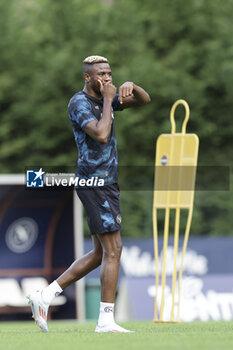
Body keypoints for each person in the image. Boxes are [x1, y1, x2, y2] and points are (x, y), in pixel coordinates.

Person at [27, 55, 151, 333]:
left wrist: (134, 86)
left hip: (107, 182)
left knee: (99, 254)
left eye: (109, 73)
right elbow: (101, 134)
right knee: (114, 249)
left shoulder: (106, 97)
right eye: (100, 75)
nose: (106, 79)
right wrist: (110, 99)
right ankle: (105, 321)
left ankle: (44, 296)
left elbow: (145, 101)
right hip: (94, 182)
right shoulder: (79, 103)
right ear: (87, 77)